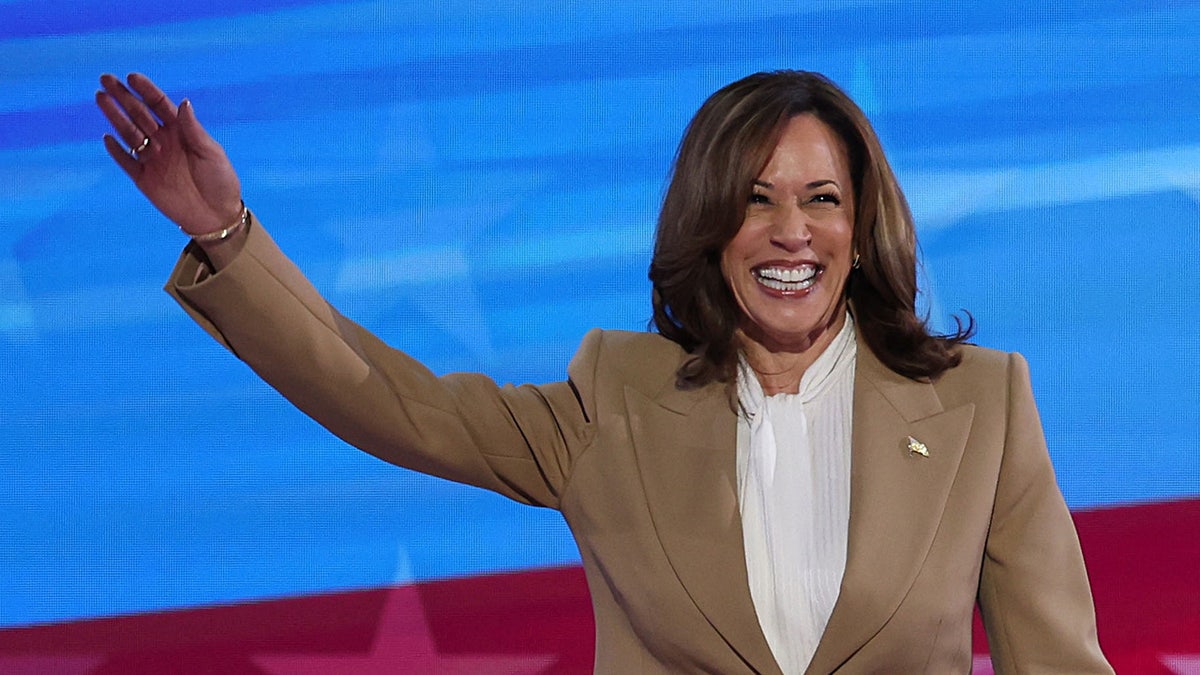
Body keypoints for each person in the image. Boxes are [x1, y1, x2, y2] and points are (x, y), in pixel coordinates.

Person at [96, 69, 1113, 673]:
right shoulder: (615, 401)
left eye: (823, 199)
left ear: (863, 222)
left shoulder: (983, 403)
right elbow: (388, 402)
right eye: (755, 199)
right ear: (709, 226)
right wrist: (228, 237)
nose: (790, 233)